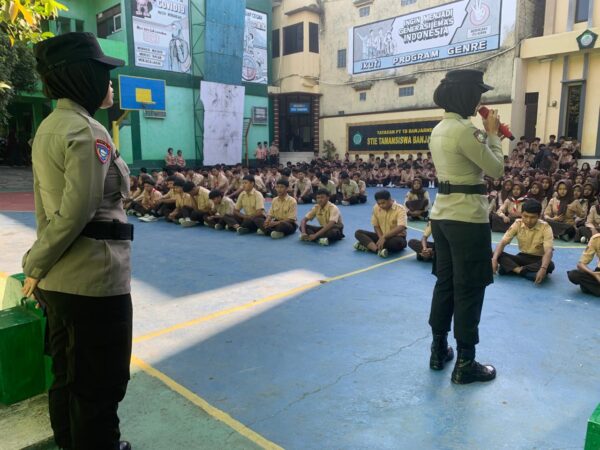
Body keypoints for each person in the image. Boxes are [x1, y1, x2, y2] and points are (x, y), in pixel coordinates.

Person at [22, 32, 132, 450]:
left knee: (68, 377)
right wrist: (34, 264)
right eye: (102, 73)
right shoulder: (88, 133)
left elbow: (45, 213)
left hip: (62, 283)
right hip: (95, 280)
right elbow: (76, 213)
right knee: (100, 382)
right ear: (81, 77)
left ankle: (70, 443)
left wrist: (40, 267)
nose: (109, 83)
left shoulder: (50, 127)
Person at [427, 69, 503, 384]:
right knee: (469, 287)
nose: (480, 101)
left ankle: (438, 349)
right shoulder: (465, 131)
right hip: (467, 218)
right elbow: (496, 169)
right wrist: (494, 133)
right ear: (467, 96)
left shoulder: (439, 129)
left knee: (445, 283)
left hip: (442, 215)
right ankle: (465, 364)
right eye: (477, 94)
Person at [492, 200, 554, 283]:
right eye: (525, 216)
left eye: (532, 217)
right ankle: (523, 272)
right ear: (521, 214)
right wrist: (494, 259)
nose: (528, 220)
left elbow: (548, 251)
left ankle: (511, 269)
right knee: (493, 253)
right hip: (521, 257)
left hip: (538, 259)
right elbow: (502, 243)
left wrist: (543, 268)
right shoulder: (518, 223)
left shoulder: (546, 227)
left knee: (550, 265)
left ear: (539, 216)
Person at [354, 190, 407, 258]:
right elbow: (376, 226)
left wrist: (384, 237)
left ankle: (368, 245)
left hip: (396, 237)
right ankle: (377, 251)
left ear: (390, 199)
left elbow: (401, 227)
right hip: (381, 235)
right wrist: (381, 238)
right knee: (358, 233)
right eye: (379, 203)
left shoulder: (400, 209)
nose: (381, 205)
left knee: (395, 244)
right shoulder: (376, 207)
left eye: (383, 203)